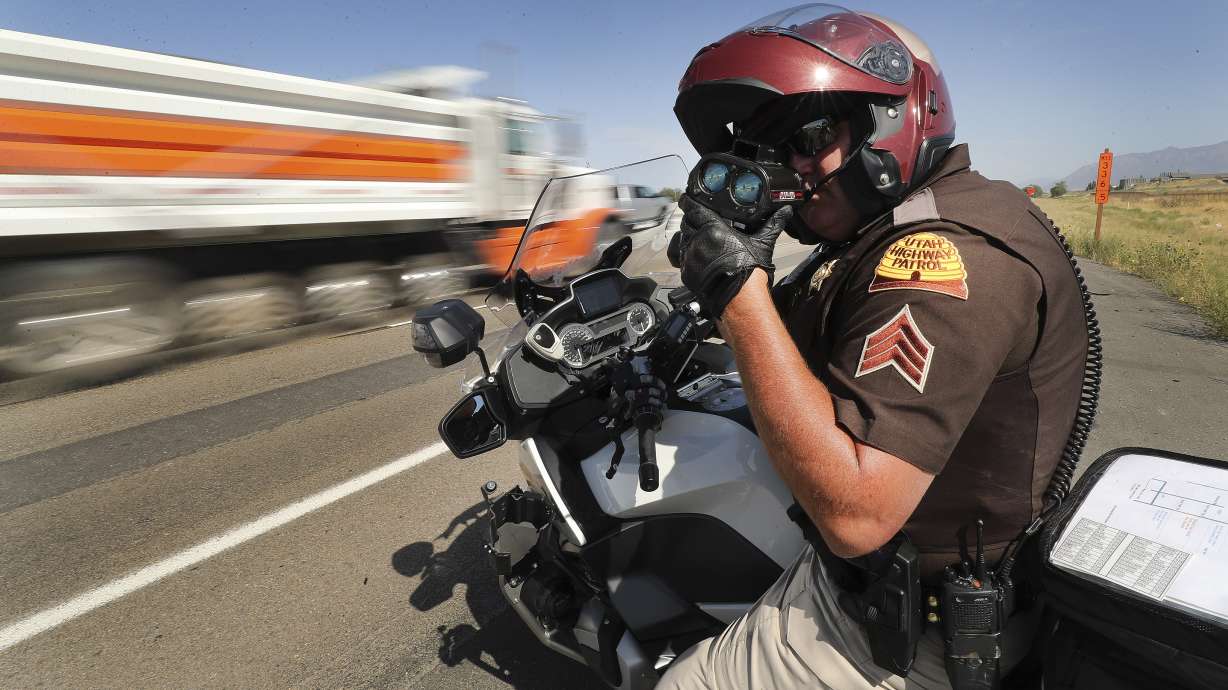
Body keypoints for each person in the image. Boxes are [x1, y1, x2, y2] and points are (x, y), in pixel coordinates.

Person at [660, 5, 1088, 689]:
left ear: (892, 118)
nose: (793, 170)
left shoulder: (939, 257)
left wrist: (736, 293)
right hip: (875, 583)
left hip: (907, 638)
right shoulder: (888, 227)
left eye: (808, 135)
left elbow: (857, 514)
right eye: (773, 149)